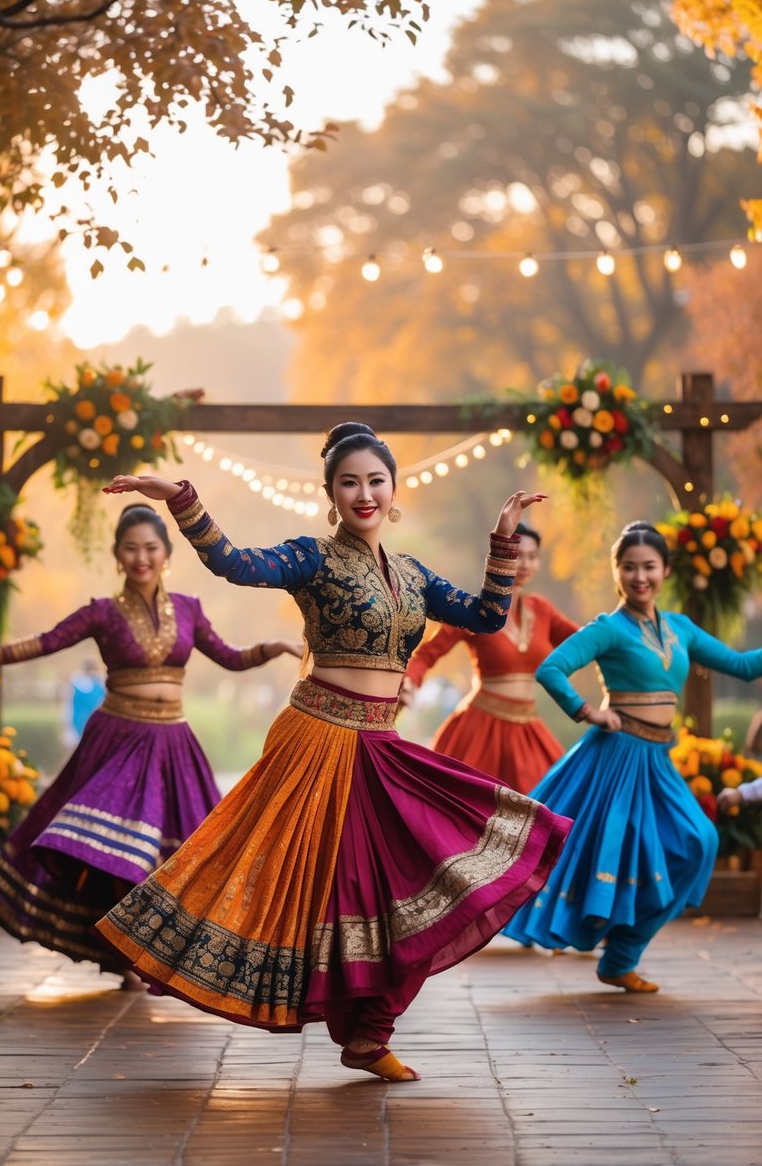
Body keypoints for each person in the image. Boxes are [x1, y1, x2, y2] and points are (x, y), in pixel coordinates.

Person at [95, 423, 571, 1082]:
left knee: (411, 882)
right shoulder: (311, 557)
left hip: (379, 745)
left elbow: (485, 616)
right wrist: (183, 499)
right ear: (331, 493)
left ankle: (368, 1033)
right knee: (329, 887)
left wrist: (502, 539)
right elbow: (234, 563)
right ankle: (361, 1029)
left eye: (375, 480)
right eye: (349, 481)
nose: (364, 492)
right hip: (317, 741)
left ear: (393, 490)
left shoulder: (411, 573)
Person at [0, 502, 302, 982]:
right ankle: (124, 953)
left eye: (150, 548)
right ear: (117, 556)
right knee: (116, 850)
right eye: (130, 548)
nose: (141, 557)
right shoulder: (102, 612)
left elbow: (230, 659)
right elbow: (47, 641)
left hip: (172, 742)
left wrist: (275, 647)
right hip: (118, 739)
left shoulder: (189, 610)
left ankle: (144, 955)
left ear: (166, 554)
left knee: (173, 858)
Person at [505, 520, 762, 993]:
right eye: (628, 567)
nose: (639, 577)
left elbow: (744, 667)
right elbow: (551, 668)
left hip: (658, 762)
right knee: (617, 856)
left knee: (700, 842)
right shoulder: (608, 629)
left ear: (665, 570)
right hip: (615, 761)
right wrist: (587, 711)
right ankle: (619, 957)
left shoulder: (680, 628)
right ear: (616, 571)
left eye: (649, 567)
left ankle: (622, 952)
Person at [403, 522, 579, 792]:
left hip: (528, 728)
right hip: (480, 729)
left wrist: (621, 639)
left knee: (551, 805)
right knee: (470, 810)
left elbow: (586, 642)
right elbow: (428, 653)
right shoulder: (475, 610)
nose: (526, 563)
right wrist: (411, 680)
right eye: (519, 555)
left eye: (533, 557)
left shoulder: (541, 609)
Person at [63, 657, 106, 747]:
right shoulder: (101, 687)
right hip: (94, 726)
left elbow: (67, 707)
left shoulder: (75, 685)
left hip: (76, 724)